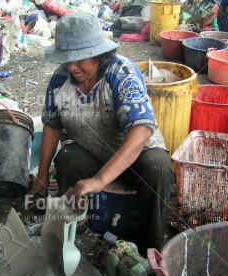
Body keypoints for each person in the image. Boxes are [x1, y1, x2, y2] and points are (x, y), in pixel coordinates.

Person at [30, 12, 173, 255]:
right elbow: (52, 125)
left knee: (158, 166)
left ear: (98, 52)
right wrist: (42, 175)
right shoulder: (59, 81)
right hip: (95, 152)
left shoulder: (121, 73)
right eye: (66, 59)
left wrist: (99, 180)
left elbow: (141, 130)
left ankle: (150, 247)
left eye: (79, 59)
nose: (71, 66)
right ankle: (72, 229)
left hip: (137, 156)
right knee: (68, 158)